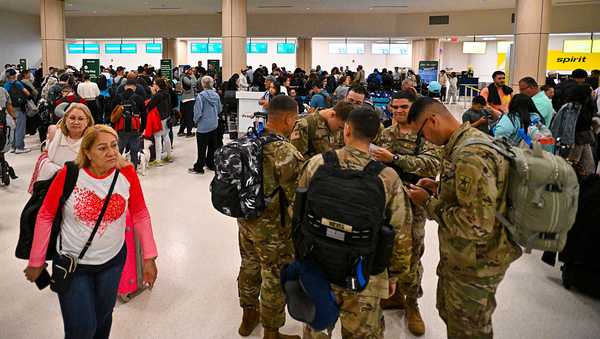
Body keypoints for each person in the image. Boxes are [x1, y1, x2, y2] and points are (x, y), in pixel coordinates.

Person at [24, 124, 158, 339]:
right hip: (73, 264)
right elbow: (45, 216)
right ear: (87, 152)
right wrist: (37, 260)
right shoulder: (69, 174)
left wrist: (149, 257)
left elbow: (140, 214)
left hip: (112, 262)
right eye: (102, 148)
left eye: (114, 145)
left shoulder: (127, 173)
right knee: (81, 329)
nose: (112, 152)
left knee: (104, 317)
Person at [406, 97, 522, 339]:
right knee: (451, 315)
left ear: (433, 120)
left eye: (421, 133)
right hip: (464, 257)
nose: (424, 140)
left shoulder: (470, 154)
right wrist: (439, 188)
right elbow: (478, 196)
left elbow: (475, 224)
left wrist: (427, 202)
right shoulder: (464, 144)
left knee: (469, 329)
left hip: (476, 263)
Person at [300, 107, 413, 339]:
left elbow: (298, 212)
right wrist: (393, 275)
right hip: (364, 274)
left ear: (347, 130)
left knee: (316, 329)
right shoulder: (387, 177)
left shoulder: (317, 164)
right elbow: (401, 232)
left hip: (318, 265)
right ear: (375, 136)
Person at [371, 91, 442, 336]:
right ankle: (391, 294)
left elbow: (433, 164)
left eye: (404, 107)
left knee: (412, 254)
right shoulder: (383, 133)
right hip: (385, 203)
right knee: (385, 249)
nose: (399, 111)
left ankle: (411, 302)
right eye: (395, 107)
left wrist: (396, 159)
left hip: (414, 203)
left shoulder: (425, 134)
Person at [237, 95, 302, 339]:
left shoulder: (249, 140)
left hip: (245, 220)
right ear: (288, 118)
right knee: (273, 274)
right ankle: (272, 332)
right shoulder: (285, 152)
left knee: (249, 266)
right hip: (273, 228)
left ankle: (248, 316)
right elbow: (296, 197)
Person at [111, 79, 146, 170]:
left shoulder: (118, 97)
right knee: (134, 150)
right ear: (134, 87)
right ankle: (133, 169)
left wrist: (112, 126)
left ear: (125, 86)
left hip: (120, 128)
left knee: (118, 149)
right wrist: (142, 128)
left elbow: (111, 111)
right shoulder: (139, 98)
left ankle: (115, 168)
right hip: (135, 127)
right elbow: (144, 114)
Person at [189, 76, 221, 175]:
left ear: (203, 84)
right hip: (214, 124)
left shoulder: (201, 96)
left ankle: (199, 167)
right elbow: (220, 109)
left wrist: (195, 121)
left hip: (203, 126)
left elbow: (198, 112)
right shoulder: (216, 95)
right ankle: (211, 164)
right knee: (212, 146)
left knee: (201, 147)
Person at [4, 68, 31, 153]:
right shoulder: (18, 83)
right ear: (15, 75)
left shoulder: (5, 85)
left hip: (9, 109)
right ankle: (19, 147)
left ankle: (13, 146)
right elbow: (27, 93)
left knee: (13, 128)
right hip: (19, 108)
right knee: (20, 128)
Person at [147, 78, 172, 165]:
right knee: (166, 136)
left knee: (157, 138)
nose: (153, 85)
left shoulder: (158, 95)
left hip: (159, 118)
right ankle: (169, 156)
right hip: (167, 117)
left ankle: (158, 160)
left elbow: (150, 106)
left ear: (158, 85)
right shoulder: (167, 93)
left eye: (154, 84)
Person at [177, 66, 197, 138]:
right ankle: (189, 133)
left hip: (185, 99)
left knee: (185, 117)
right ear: (186, 70)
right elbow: (194, 83)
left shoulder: (183, 77)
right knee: (189, 116)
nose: (192, 71)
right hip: (188, 99)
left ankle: (181, 131)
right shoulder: (185, 77)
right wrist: (192, 75)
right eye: (190, 69)